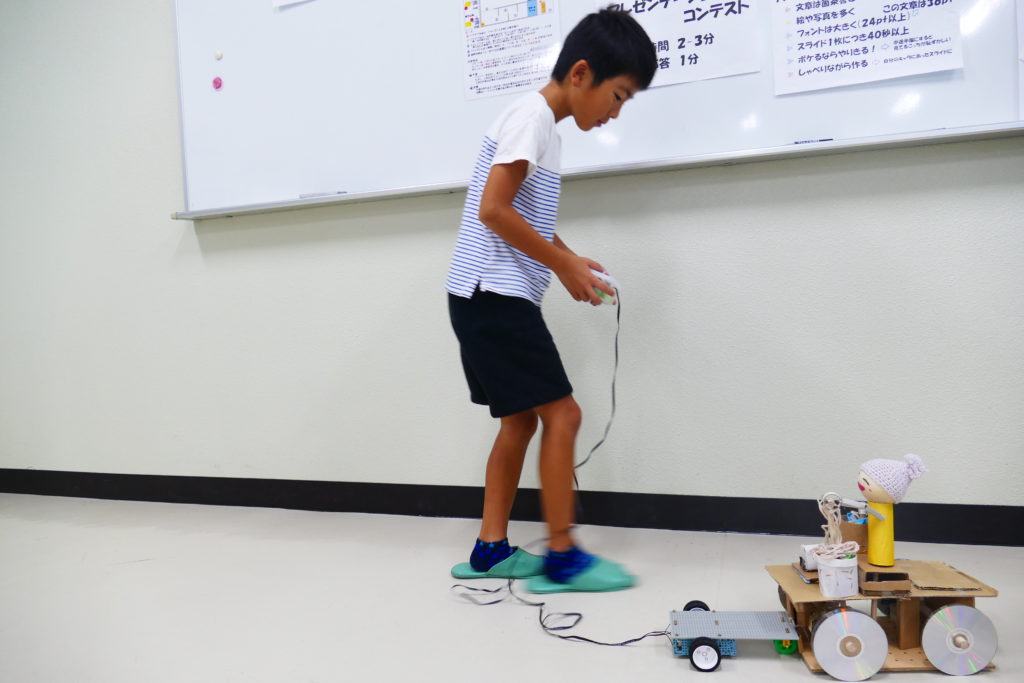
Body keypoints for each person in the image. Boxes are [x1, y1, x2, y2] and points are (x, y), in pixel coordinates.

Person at [445, 8, 657, 593]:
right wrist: (560, 263)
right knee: (564, 415)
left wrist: (567, 259)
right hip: (493, 294)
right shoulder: (532, 118)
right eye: (618, 97)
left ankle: (490, 550)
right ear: (581, 73)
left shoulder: (541, 126)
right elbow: (493, 210)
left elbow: (521, 214)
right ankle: (563, 557)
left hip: (479, 294)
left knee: (519, 421)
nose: (615, 113)